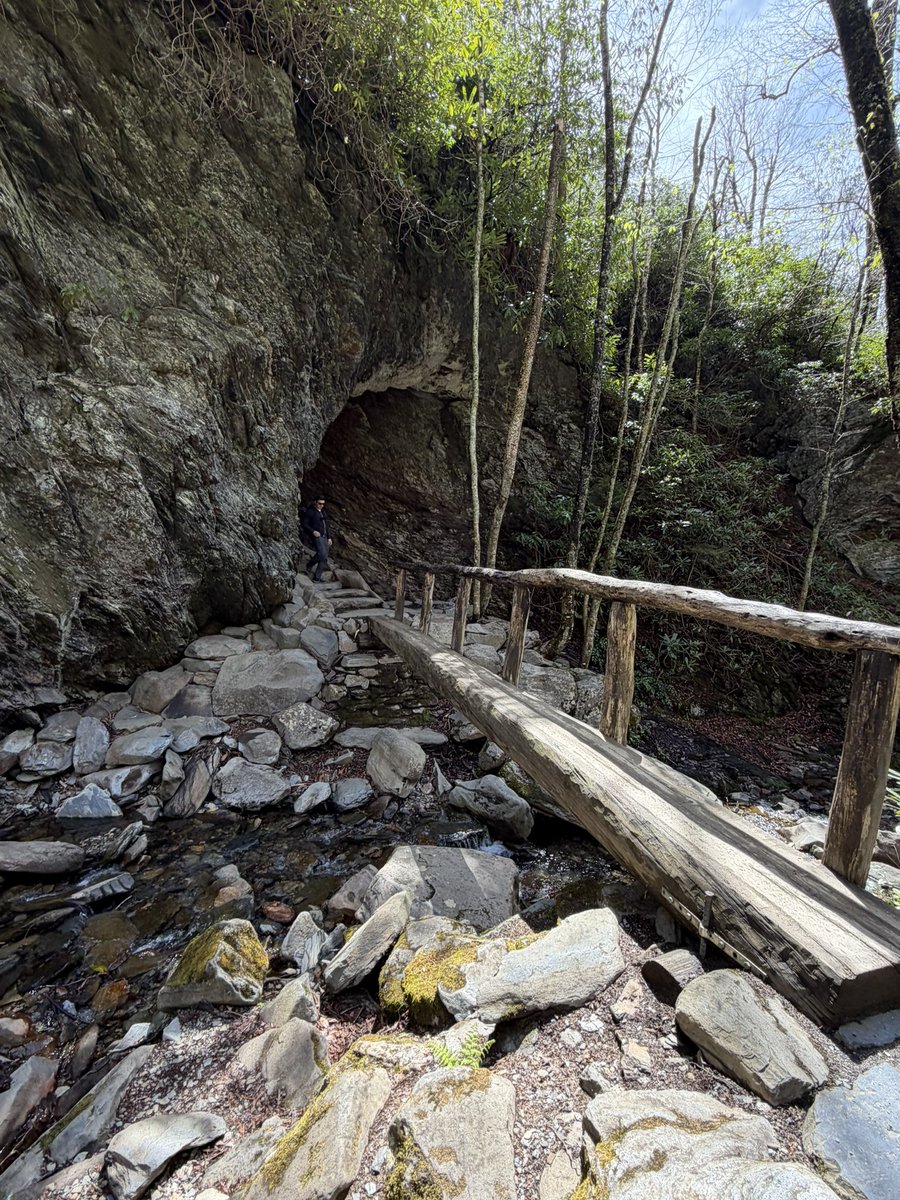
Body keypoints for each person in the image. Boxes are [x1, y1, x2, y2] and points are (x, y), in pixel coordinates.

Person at [302, 495, 332, 581]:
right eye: (320, 503)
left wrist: (329, 537)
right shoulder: (310, 511)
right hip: (317, 536)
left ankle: (317, 577)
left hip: (325, 536)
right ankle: (309, 565)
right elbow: (305, 524)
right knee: (322, 554)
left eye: (323, 504)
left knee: (324, 557)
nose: (321, 505)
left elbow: (326, 525)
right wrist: (313, 531)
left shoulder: (323, 512)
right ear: (315, 502)